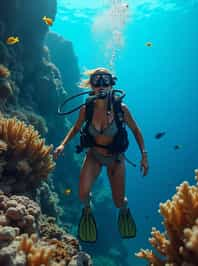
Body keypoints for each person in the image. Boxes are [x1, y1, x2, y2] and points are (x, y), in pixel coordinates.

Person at [53, 67, 149, 242]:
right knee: (82, 195)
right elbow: (75, 128)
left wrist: (144, 155)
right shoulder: (86, 109)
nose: (101, 85)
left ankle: (124, 209)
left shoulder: (122, 109)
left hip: (116, 159)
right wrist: (62, 144)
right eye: (97, 80)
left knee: (118, 202)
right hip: (94, 156)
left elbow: (136, 130)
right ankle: (88, 210)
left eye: (106, 80)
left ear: (112, 84)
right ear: (91, 86)